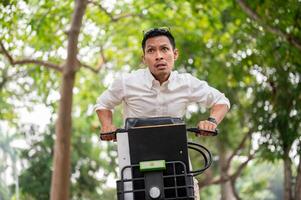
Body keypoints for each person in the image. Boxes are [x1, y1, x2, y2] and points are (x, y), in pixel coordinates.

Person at [94, 27, 230, 199]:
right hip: (134, 165)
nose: (159, 56)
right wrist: (107, 125)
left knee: (187, 194)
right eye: (151, 50)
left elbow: (221, 101)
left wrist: (211, 121)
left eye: (164, 49)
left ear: (175, 54)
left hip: (177, 164)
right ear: (144, 58)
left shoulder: (186, 83)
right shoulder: (127, 82)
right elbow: (103, 103)